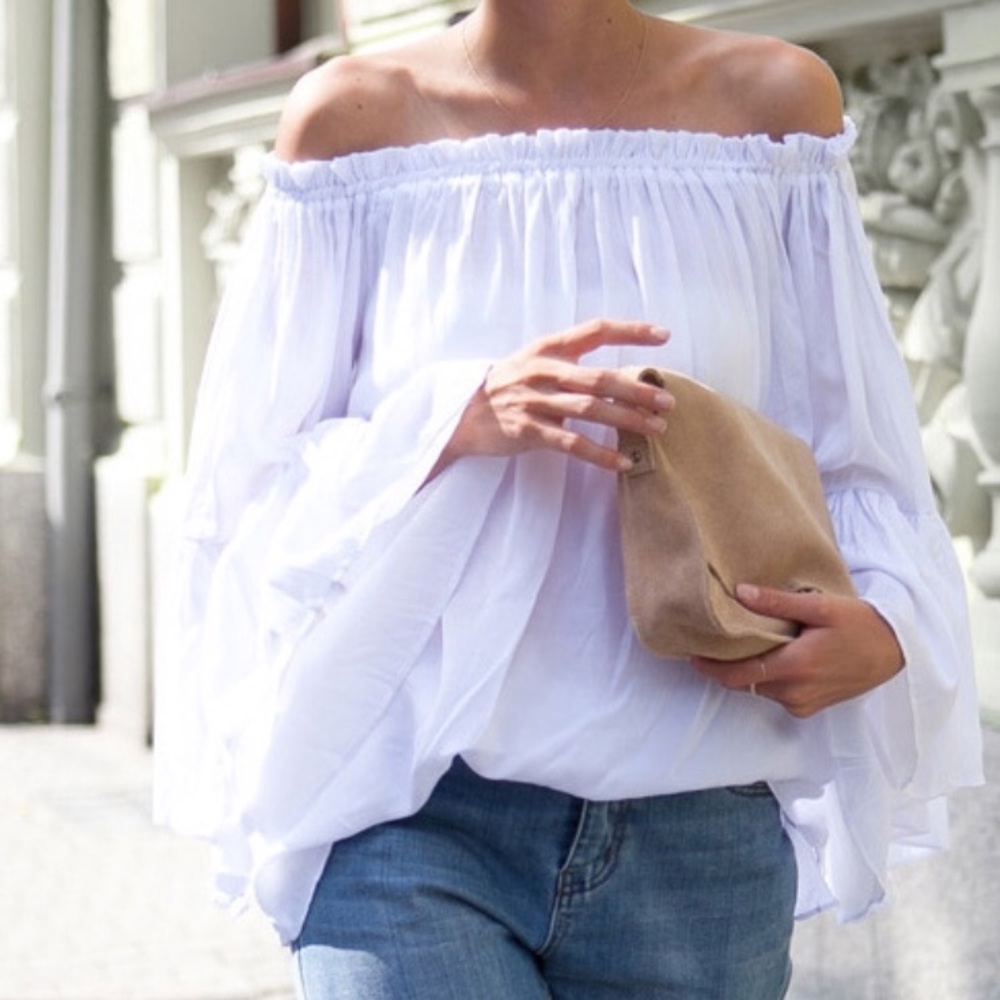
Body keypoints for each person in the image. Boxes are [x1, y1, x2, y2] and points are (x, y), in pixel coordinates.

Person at [153, 2, 984, 997]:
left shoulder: (771, 107)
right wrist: (456, 413)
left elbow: (856, 458)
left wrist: (884, 624)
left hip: (696, 829)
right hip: (407, 811)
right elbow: (248, 492)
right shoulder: (353, 122)